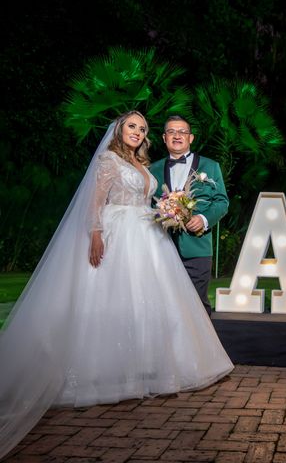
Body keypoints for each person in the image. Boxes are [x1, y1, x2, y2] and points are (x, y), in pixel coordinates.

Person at [0, 111, 234, 460]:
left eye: (142, 128)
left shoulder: (149, 164)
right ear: (119, 130)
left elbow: (212, 201)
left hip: (151, 238)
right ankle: (109, 372)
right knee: (114, 300)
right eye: (132, 126)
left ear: (190, 137)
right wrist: (96, 233)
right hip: (121, 234)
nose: (138, 132)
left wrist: (183, 212)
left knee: (156, 305)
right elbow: (96, 200)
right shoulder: (112, 160)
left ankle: (150, 366)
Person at [150, 116, 228, 316]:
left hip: (197, 248)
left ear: (191, 138)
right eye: (171, 132)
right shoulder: (153, 170)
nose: (177, 136)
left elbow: (222, 202)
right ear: (164, 138)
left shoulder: (210, 166)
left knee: (197, 306)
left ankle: (202, 348)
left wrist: (203, 219)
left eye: (182, 132)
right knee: (164, 306)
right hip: (161, 247)